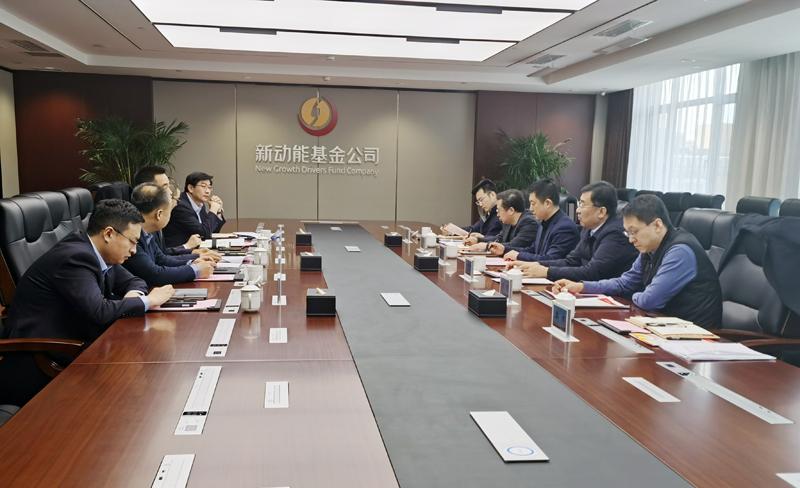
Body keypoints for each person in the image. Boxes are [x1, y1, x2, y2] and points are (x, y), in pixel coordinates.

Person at [3, 199, 175, 346]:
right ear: (109, 234)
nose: (134, 250)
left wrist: (134, 296)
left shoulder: (102, 253)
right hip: (46, 350)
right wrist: (148, 300)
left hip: (79, 336)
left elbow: (135, 281)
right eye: (132, 241)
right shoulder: (76, 258)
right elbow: (100, 311)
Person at [552, 194, 723, 329]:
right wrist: (582, 287)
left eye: (634, 232)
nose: (630, 239)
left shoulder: (680, 251)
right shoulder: (650, 248)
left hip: (694, 335)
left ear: (657, 225)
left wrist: (633, 295)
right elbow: (625, 283)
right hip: (665, 326)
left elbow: (649, 300)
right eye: (627, 233)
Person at [505, 181, 638, 281]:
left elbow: (593, 272)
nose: (577, 210)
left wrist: (547, 271)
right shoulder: (588, 228)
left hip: (615, 299)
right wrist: (533, 265)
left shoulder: (615, 233)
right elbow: (571, 261)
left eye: (582, 205)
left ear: (601, 211)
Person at [124, 184, 217, 287]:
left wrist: (192, 263)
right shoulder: (131, 238)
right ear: (159, 214)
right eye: (169, 212)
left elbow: (161, 259)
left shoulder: (148, 232)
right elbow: (155, 274)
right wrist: (196, 270)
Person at [489, 179, 579, 261]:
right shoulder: (544, 223)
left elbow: (550, 259)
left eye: (533, 203)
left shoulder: (564, 227)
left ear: (547, 203)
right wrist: (504, 249)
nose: (531, 209)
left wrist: (518, 256)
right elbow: (532, 250)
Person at [132, 166, 212, 259]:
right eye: (165, 186)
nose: (170, 192)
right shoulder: (136, 233)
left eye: (169, 186)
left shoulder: (153, 227)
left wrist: (194, 256)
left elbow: (162, 256)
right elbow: (156, 265)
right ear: (148, 190)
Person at [163, 171, 226, 248]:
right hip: (178, 251)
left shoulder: (200, 204)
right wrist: (213, 209)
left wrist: (218, 212)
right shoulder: (180, 205)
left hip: (195, 249)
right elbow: (204, 233)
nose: (207, 191)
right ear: (191, 188)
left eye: (209, 187)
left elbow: (211, 232)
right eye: (203, 186)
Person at [467, 189, 538, 251]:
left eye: (498, 210)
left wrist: (487, 246)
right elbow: (499, 239)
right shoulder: (508, 221)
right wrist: (478, 240)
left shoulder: (529, 222)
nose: (497, 215)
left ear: (511, 210)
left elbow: (514, 245)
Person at [442, 179, 502, 245]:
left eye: (481, 199)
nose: (480, 204)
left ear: (492, 195)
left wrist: (483, 238)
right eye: (478, 202)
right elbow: (473, 229)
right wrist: (452, 231)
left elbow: (503, 238)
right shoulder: (487, 214)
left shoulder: (503, 213)